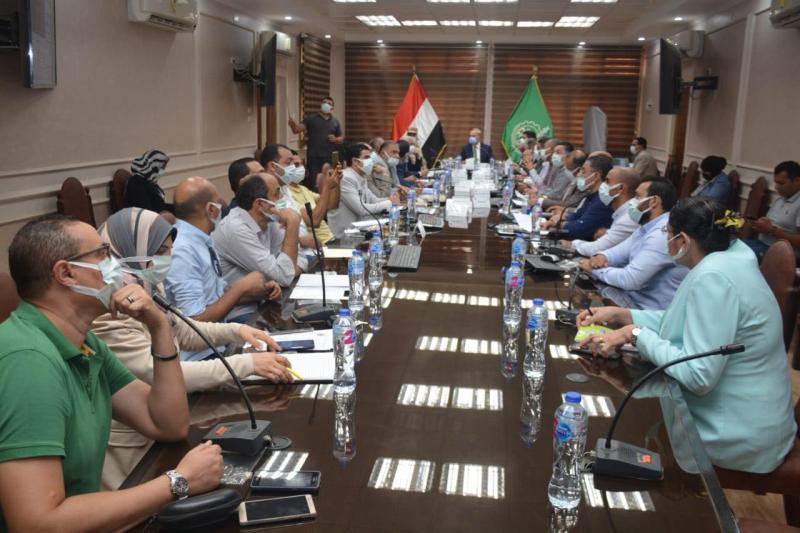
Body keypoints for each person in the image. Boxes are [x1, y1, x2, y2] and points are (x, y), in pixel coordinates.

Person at [0, 215, 223, 532]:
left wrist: (159, 326)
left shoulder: (84, 342)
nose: (115, 264)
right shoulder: (28, 361)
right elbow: (36, 524)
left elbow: (167, 424)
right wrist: (178, 481)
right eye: (103, 254)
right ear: (66, 273)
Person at [578, 198, 796, 473]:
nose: (665, 240)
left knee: (623, 426)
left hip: (737, 431)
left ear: (682, 240)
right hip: (754, 416)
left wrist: (636, 334)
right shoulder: (730, 257)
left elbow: (698, 375)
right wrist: (623, 316)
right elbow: (687, 322)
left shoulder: (714, 277)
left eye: (666, 233)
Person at [91, 208, 293, 489]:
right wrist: (246, 364)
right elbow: (160, 373)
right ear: (129, 250)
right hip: (135, 452)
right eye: (161, 251)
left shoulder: (145, 284)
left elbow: (183, 331)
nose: (168, 258)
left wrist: (236, 331)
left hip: (168, 423)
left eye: (169, 250)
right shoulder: (109, 308)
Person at [164, 177, 280, 352]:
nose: (223, 207)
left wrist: (258, 292)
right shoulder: (182, 250)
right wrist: (241, 287)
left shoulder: (201, 238)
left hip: (217, 344)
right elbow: (194, 323)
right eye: (219, 203)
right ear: (211, 209)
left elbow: (217, 295)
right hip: (201, 355)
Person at [580, 178, 687, 310]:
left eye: (637, 196)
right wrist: (601, 257)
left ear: (653, 201)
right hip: (629, 299)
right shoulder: (647, 226)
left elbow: (630, 279)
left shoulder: (662, 233)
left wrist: (595, 270)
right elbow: (618, 252)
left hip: (646, 310)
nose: (632, 201)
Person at [214, 173, 303, 291]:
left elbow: (299, 258)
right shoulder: (236, 229)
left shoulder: (269, 220)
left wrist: (286, 272)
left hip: (266, 296)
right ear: (260, 204)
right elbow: (285, 276)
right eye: (276, 194)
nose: (282, 197)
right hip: (242, 302)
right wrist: (293, 223)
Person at [328, 143, 400, 239]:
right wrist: (389, 202)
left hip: (359, 228)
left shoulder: (362, 176)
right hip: (344, 235)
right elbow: (361, 209)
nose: (371, 161)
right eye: (367, 158)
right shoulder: (346, 178)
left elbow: (374, 200)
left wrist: (391, 199)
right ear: (355, 161)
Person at [566, 167, 641, 257]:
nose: (602, 185)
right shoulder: (621, 212)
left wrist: (572, 244)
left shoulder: (628, 219)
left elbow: (596, 249)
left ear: (621, 188)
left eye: (607, 181)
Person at [543, 155, 614, 241]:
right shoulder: (591, 195)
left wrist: (560, 224)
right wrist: (559, 219)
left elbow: (580, 228)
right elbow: (577, 216)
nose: (578, 174)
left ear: (596, 176)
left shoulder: (602, 201)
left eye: (583, 171)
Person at [745, 161, 800, 260]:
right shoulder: (781, 199)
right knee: (730, 247)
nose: (776, 187)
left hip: (781, 253)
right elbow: (770, 224)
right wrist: (759, 225)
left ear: (797, 180)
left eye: (781, 183)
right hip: (762, 243)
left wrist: (772, 230)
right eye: (776, 182)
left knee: (737, 257)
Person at [285, 149, 340, 244]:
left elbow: (332, 205)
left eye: (302, 164)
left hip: (330, 238)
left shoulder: (303, 189)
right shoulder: (286, 192)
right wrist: (327, 187)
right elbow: (314, 221)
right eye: (296, 165)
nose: (301, 168)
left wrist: (336, 181)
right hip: (319, 245)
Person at [288, 96, 343, 190]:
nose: (326, 104)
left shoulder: (335, 122)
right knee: (314, 182)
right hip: (314, 157)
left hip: (329, 157)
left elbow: (341, 138)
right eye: (324, 102)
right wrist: (292, 124)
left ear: (332, 107)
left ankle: (327, 197)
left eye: (329, 103)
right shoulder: (311, 119)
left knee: (328, 181)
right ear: (321, 104)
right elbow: (296, 130)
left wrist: (336, 139)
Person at [123, 149, 173, 214]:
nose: (163, 171)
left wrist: (179, 208)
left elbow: (160, 205)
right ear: (154, 165)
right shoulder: (136, 182)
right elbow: (146, 211)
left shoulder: (150, 181)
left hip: (159, 217)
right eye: (162, 167)